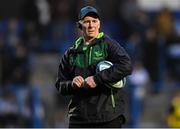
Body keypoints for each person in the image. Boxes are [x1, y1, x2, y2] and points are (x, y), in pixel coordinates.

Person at [55, 6, 132, 128]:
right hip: (79, 118)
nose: (91, 25)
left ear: (99, 24)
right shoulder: (70, 53)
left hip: (107, 117)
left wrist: (97, 79)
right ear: (79, 25)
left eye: (94, 21)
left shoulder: (108, 45)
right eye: (86, 22)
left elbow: (126, 65)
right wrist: (72, 84)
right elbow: (60, 85)